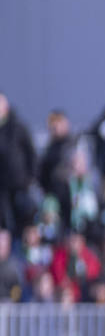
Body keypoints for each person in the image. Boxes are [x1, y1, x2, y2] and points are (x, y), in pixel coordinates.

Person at [0, 92, 38, 236]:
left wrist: (30, 178)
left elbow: (31, 152)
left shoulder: (17, 127)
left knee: (24, 219)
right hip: (2, 188)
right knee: (4, 222)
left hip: (19, 184)